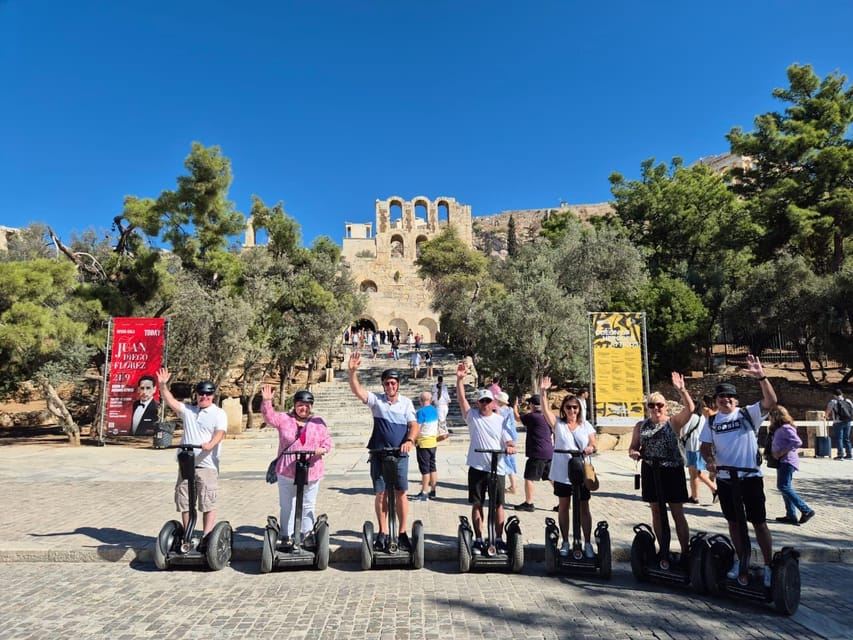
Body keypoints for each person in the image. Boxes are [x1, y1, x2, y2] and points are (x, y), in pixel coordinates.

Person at [700, 354, 777, 588]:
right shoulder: (712, 422)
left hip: (749, 477)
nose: (726, 400)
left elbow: (771, 401)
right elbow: (704, 447)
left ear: (736, 399)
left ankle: (768, 565)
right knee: (733, 522)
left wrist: (761, 377)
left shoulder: (747, 414)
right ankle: (740, 560)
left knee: (758, 522)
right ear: (716, 400)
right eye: (722, 397)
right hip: (725, 479)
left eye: (730, 396)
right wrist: (710, 461)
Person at [347, 352, 419, 552]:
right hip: (378, 454)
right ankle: (383, 531)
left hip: (400, 454)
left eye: (394, 383)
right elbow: (358, 391)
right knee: (380, 494)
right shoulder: (376, 401)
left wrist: (410, 440)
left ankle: (403, 533)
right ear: (383, 385)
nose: (390, 387)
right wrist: (352, 372)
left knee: (401, 492)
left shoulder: (406, 403)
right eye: (387, 383)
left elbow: (414, 425)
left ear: (398, 385)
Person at [628, 373, 693, 565]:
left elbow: (690, 409)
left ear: (665, 407)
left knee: (676, 511)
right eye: (652, 405)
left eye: (660, 405)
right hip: (650, 469)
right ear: (647, 408)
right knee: (656, 511)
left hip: (672, 470)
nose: (656, 408)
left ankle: (685, 552)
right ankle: (662, 549)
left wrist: (681, 389)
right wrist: (633, 452)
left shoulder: (673, 422)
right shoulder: (641, 425)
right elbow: (633, 446)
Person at [156, 368, 227, 537]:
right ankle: (187, 535)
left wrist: (210, 444)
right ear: (196, 395)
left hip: (207, 465)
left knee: (207, 500)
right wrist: (162, 385)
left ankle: (207, 536)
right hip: (186, 464)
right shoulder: (189, 411)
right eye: (201, 394)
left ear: (213, 396)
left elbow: (221, 432)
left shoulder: (218, 413)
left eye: (208, 394)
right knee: (185, 500)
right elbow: (171, 401)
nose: (204, 397)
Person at [456, 362, 516, 554]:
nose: (485, 404)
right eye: (482, 401)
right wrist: (459, 380)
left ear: (493, 403)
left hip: (496, 467)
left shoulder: (500, 419)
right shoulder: (472, 416)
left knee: (498, 504)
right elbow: (461, 399)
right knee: (477, 503)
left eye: (488, 401)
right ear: (478, 403)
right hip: (477, 466)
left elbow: (507, 439)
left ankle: (498, 538)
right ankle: (479, 538)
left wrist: (510, 447)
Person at [261, 386, 332, 546]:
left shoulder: (318, 423)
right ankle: (286, 535)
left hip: (311, 469)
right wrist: (267, 401)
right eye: (300, 404)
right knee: (287, 505)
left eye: (307, 405)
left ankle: (306, 534)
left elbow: (327, 441)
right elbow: (269, 418)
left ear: (311, 406)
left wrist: (323, 449)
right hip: (287, 469)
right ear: (294, 404)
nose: (303, 408)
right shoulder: (284, 419)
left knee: (308, 504)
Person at [541, 377, 597, 557]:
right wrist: (543, 392)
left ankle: (587, 543)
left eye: (575, 407)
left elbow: (594, 443)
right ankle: (565, 541)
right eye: (568, 407)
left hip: (580, 470)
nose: (572, 410)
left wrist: (590, 448)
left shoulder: (585, 425)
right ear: (564, 409)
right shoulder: (559, 424)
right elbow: (545, 410)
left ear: (579, 409)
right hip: (562, 471)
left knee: (583, 507)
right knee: (564, 506)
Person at [769, 405, 815, 525]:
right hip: (782, 461)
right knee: (785, 487)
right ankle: (791, 515)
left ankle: (806, 510)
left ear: (775, 416)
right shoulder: (779, 428)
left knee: (784, 486)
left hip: (787, 461)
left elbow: (797, 442)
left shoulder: (785, 428)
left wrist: (781, 452)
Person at [515, 393, 553, 512]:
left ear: (532, 405)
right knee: (552, 478)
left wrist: (514, 406)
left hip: (537, 452)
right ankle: (564, 500)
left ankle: (529, 502)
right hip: (549, 451)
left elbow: (517, 418)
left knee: (529, 478)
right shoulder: (548, 417)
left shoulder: (532, 416)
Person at [411, 391, 446, 501]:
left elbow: (418, 427)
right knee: (432, 467)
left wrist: (413, 440)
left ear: (420, 400)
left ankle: (424, 492)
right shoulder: (434, 411)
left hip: (423, 443)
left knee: (424, 469)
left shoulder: (420, 412)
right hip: (433, 442)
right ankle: (433, 490)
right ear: (430, 400)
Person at [684, 394, 717, 504]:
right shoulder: (702, 417)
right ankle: (694, 496)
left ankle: (714, 489)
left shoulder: (691, 417)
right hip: (697, 446)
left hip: (693, 447)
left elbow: (682, 431)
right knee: (694, 473)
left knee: (695, 473)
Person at [494, 391, 519, 494]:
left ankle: (513, 486)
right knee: (510, 461)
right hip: (512, 436)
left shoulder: (499, 411)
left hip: (504, 438)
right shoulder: (510, 409)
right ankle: (513, 485)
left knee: (506, 461)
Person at [825, 388, 853, 460]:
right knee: (846, 438)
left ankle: (840, 455)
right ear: (842, 394)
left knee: (839, 439)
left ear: (834, 395)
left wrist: (826, 416)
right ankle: (849, 454)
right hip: (848, 421)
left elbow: (828, 412)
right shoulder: (848, 401)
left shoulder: (833, 402)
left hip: (838, 422)